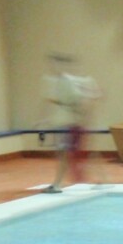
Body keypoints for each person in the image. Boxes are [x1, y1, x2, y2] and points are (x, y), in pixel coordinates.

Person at [40, 53, 104, 192]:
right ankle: (103, 179)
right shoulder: (70, 82)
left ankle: (57, 184)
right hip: (74, 123)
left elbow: (81, 101)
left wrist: (81, 116)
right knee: (79, 152)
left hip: (72, 124)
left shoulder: (69, 82)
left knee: (65, 153)